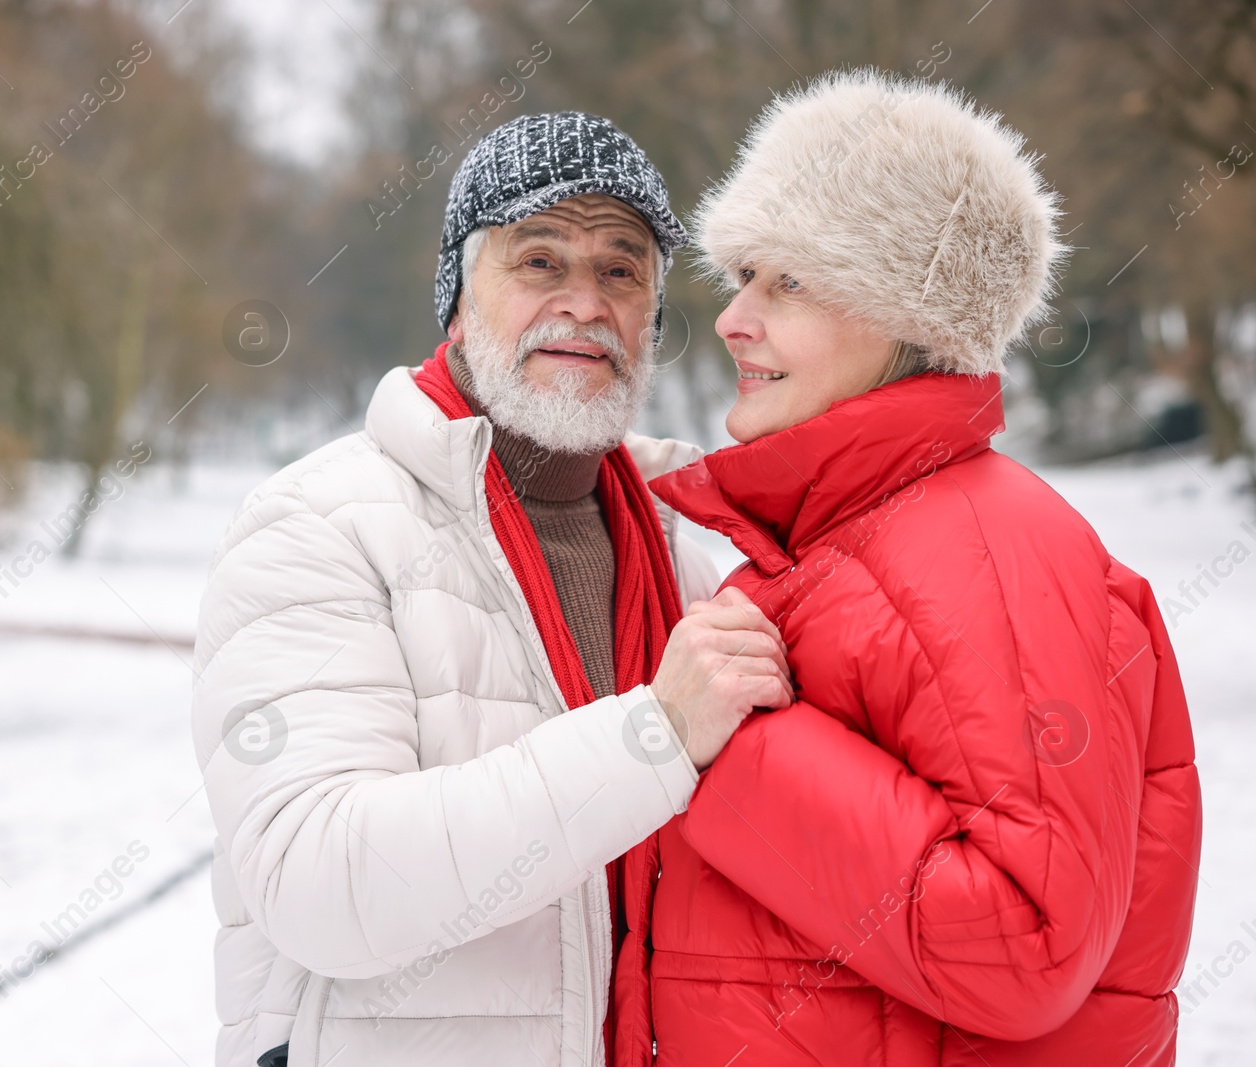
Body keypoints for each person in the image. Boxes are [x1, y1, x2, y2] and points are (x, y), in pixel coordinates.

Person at [609, 70, 1202, 1065]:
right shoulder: (853, 541)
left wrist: (730, 745)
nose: (732, 318)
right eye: (743, 275)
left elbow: (1024, 940)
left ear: (909, 309)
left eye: (786, 281)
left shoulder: (982, 551)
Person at [193, 111, 794, 1067]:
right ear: (459, 303)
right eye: (539, 260)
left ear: (652, 319)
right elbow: (320, 880)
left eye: (621, 269)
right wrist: (655, 737)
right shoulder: (320, 523)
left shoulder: (694, 546)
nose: (585, 304)